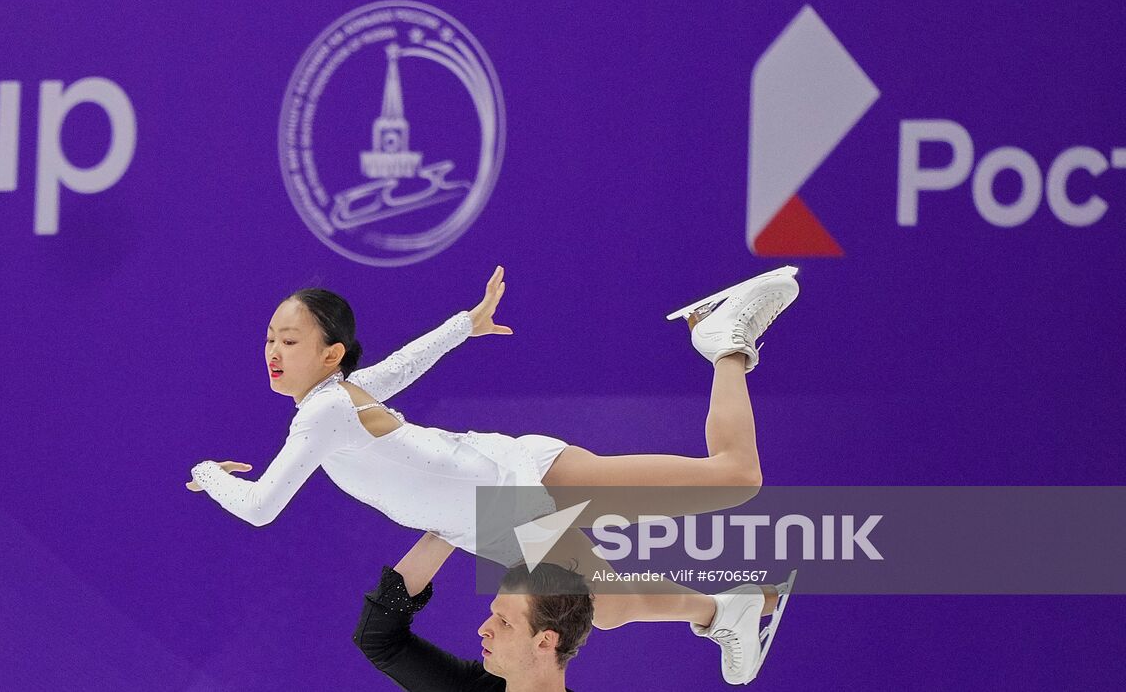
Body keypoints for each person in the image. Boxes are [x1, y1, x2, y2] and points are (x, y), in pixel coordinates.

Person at [189, 265, 799, 683]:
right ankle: (724, 611)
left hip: (515, 485)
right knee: (606, 607)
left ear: (330, 355)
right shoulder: (339, 397)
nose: (272, 352)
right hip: (501, 509)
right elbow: (402, 367)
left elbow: (261, 506)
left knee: (733, 477)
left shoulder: (321, 413)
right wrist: (463, 325)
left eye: (288, 341)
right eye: (269, 339)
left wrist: (206, 472)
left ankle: (725, 341)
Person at [353, 532, 591, 691]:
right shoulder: (473, 687)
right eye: (494, 615)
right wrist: (451, 531)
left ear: (544, 641)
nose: (484, 629)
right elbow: (380, 639)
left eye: (505, 622)